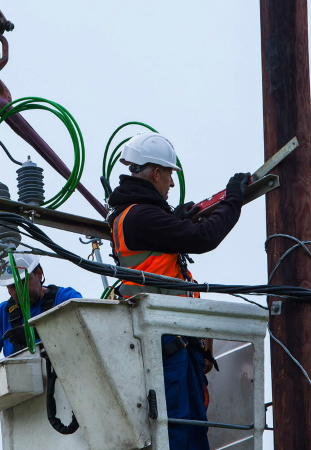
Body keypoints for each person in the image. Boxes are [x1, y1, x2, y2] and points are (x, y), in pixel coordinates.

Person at [106, 132, 249, 450]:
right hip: (171, 343)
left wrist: (174, 219)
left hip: (170, 341)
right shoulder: (142, 217)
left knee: (187, 433)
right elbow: (204, 238)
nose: (172, 183)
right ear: (156, 173)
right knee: (182, 435)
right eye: (169, 174)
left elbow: (157, 249)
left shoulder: (128, 216)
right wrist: (233, 201)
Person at [0, 252, 83, 360]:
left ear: (38, 274)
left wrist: (37, 332)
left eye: (23, 282)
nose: (20, 291)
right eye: (13, 287)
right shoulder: (1, 315)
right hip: (23, 375)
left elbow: (81, 328)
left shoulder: (65, 298)